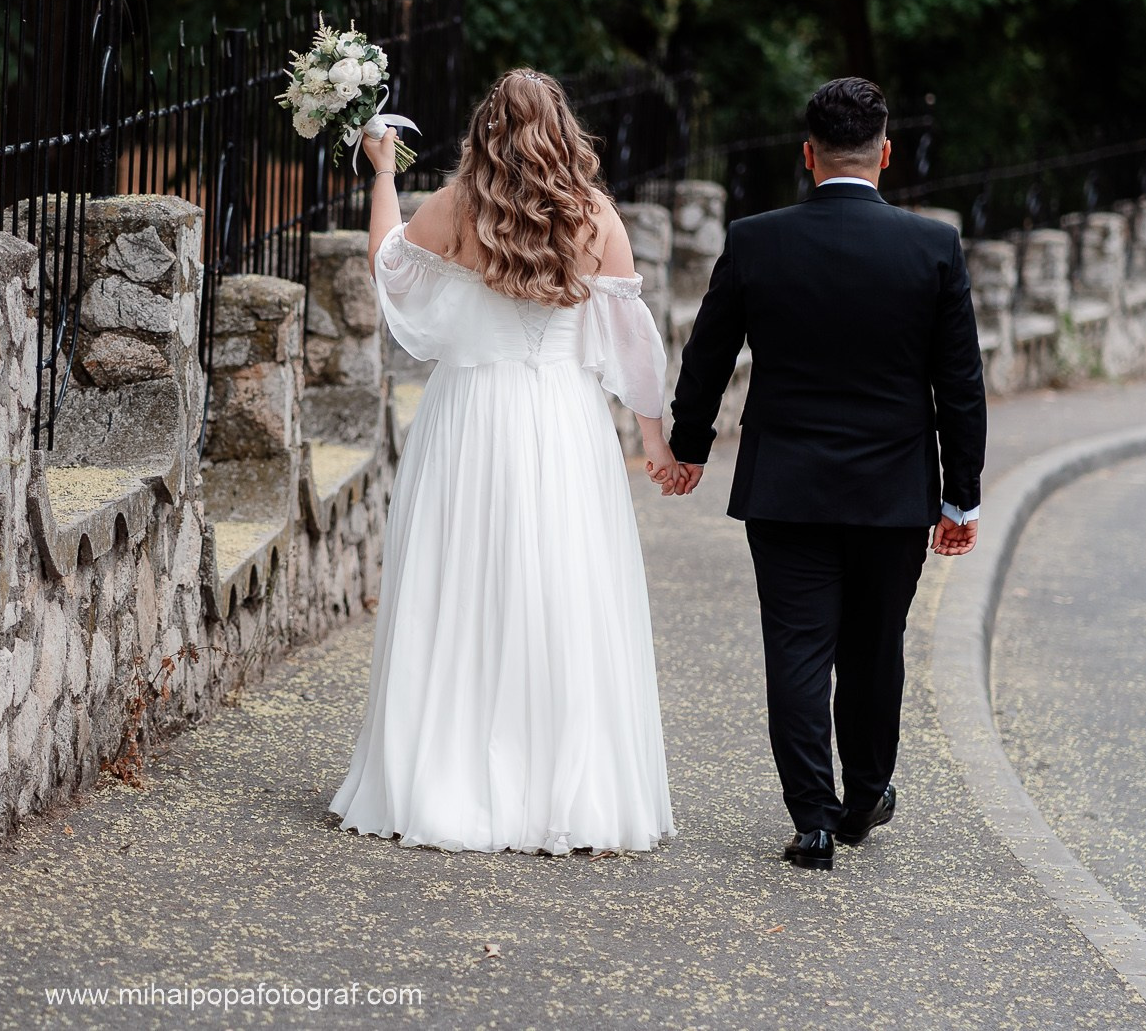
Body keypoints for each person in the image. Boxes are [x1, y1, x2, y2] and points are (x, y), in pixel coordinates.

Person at [329, 69, 680, 855]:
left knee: (461, 586)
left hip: (470, 418)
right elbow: (633, 349)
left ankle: (445, 775)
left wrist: (382, 172)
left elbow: (386, 264)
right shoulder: (596, 218)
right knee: (561, 590)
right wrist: (655, 444)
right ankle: (562, 789)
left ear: (485, 129)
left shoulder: (456, 208)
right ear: (564, 132)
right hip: (564, 425)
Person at [664, 76, 987, 871]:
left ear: (808, 155)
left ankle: (811, 819)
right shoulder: (932, 246)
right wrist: (962, 495)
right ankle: (865, 795)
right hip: (893, 493)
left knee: (799, 648)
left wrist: (691, 446)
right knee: (875, 645)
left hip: (787, 486)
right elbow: (961, 383)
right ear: (887, 154)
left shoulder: (756, 239)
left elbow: (707, 355)